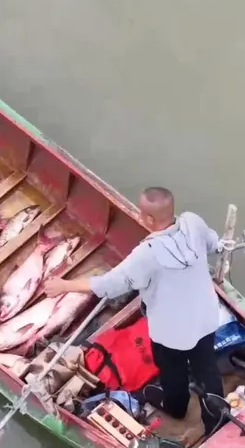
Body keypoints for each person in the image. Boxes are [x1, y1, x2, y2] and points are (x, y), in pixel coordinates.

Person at [44, 187, 233, 440]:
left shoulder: (147, 254)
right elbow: (213, 243)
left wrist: (64, 286)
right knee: (206, 367)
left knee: (172, 369)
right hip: (205, 318)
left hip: (172, 332)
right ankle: (217, 421)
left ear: (149, 219)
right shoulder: (193, 223)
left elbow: (109, 285)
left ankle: (175, 408)